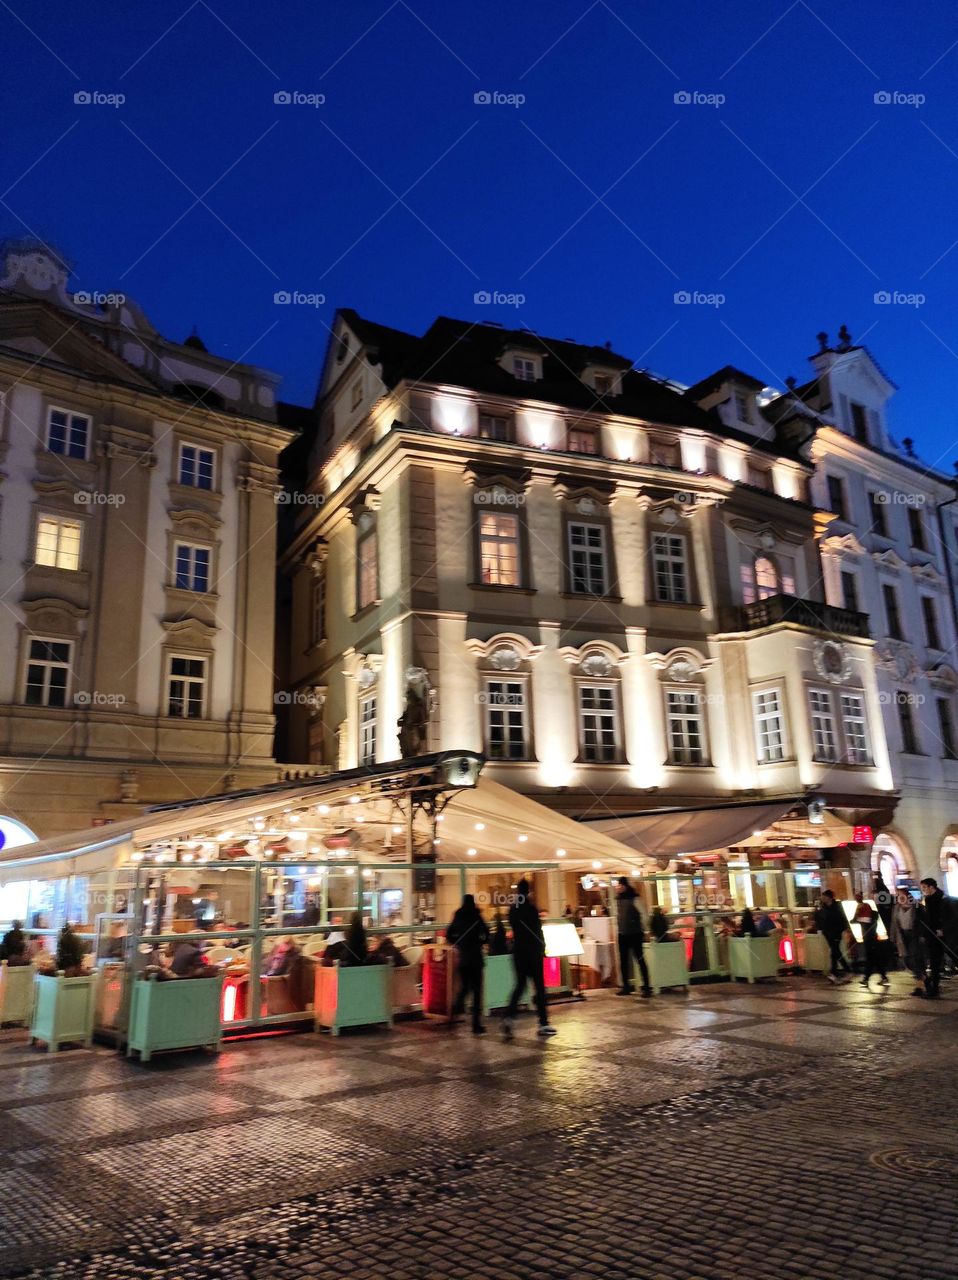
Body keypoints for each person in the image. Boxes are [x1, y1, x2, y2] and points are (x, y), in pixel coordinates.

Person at [503, 878, 554, 1039]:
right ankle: (543, 1023)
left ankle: (509, 1017)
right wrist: (543, 947)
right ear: (528, 891)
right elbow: (537, 930)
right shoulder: (531, 909)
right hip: (533, 952)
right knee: (539, 987)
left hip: (519, 952)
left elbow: (512, 925)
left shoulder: (513, 909)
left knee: (519, 985)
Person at [446, 894, 490, 1034]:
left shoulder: (458, 916)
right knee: (477, 992)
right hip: (476, 958)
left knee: (465, 989)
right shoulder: (476, 916)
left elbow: (448, 934)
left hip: (463, 959)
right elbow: (487, 933)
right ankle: (476, 1025)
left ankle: (454, 1012)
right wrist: (480, 942)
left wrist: (458, 943)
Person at [917, 877, 956, 999]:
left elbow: (951, 918)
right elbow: (929, 919)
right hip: (933, 937)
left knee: (953, 956)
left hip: (945, 936)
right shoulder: (928, 900)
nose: (922, 890)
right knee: (934, 963)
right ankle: (934, 990)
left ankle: (934, 989)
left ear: (931, 887)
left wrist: (943, 929)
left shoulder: (944, 899)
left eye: (924, 888)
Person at [614, 877, 652, 997]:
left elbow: (644, 915)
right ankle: (626, 986)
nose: (617, 888)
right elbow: (618, 916)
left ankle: (646, 987)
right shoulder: (619, 900)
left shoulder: (635, 898)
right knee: (623, 961)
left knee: (639, 959)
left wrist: (646, 930)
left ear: (624, 886)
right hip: (622, 933)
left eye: (619, 886)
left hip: (635, 933)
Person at [890, 888, 924, 997]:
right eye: (898, 896)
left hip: (914, 936)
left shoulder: (916, 907)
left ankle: (919, 985)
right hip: (902, 936)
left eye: (901, 895)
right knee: (907, 959)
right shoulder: (896, 908)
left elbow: (923, 922)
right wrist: (893, 937)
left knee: (915, 959)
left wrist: (922, 936)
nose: (899, 898)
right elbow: (894, 923)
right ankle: (923, 978)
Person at [814, 890, 851, 983]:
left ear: (829, 897)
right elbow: (819, 917)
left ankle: (836, 972)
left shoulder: (836, 907)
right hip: (827, 932)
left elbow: (842, 918)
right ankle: (840, 971)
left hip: (836, 932)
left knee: (835, 951)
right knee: (835, 951)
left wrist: (844, 928)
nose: (822, 898)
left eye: (824, 897)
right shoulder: (823, 908)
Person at [854, 893, 888, 989]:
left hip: (870, 939)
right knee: (874, 958)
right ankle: (882, 977)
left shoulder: (864, 910)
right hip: (870, 938)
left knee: (871, 958)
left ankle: (867, 978)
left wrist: (857, 914)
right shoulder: (868, 912)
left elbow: (855, 919)